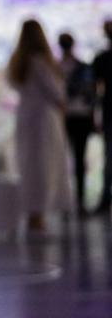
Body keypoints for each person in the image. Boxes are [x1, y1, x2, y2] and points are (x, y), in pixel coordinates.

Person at [7, 19, 71, 236]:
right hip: (44, 121)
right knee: (44, 167)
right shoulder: (41, 63)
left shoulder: (18, 62)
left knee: (29, 166)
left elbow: (13, 84)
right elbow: (56, 93)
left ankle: (34, 215)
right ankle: (38, 217)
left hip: (26, 117)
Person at [57, 33, 95, 216]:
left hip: (76, 118)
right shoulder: (55, 68)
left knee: (78, 159)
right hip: (67, 118)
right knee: (68, 160)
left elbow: (90, 94)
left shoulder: (77, 68)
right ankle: (67, 200)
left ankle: (77, 200)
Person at [91, 20, 112, 216]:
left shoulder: (102, 59)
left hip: (108, 112)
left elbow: (96, 90)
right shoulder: (101, 59)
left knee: (108, 158)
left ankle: (106, 198)